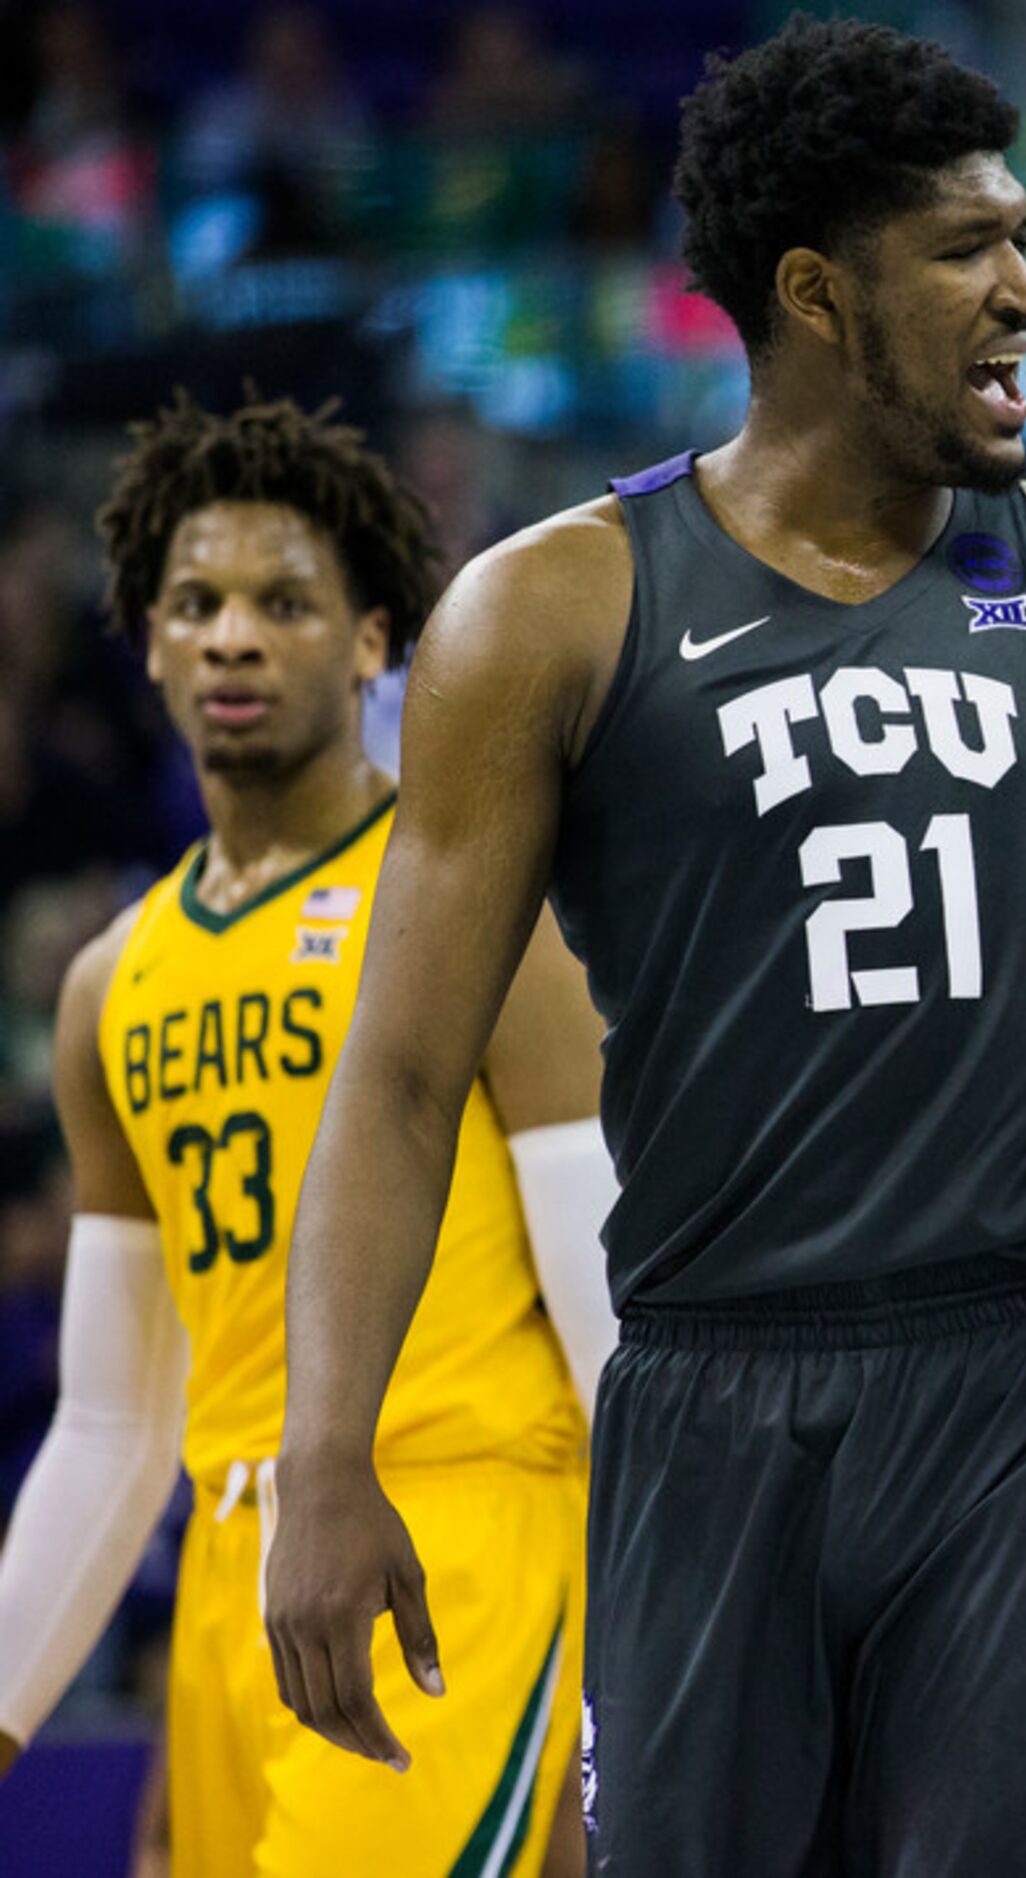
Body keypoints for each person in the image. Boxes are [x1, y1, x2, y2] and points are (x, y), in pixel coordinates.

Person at [259, 21, 1026, 1876]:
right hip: (718, 1381)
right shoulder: (555, 608)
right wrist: (326, 1455)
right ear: (815, 292)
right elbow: (400, 1079)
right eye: (968, 249)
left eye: (1024, 238)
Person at [0, 393, 615, 1876]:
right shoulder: (110, 984)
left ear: (369, 640)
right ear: (146, 640)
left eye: (284, 601)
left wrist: (709, 1619)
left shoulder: (477, 905)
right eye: (194, 603)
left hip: (456, 1524)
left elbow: (616, 1298)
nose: (231, 636)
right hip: (233, 1573)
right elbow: (111, 1419)